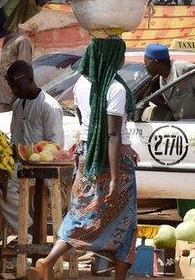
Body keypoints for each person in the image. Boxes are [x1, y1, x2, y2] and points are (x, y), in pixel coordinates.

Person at [32, 37, 138, 280]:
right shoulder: (116, 88)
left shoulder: (81, 83)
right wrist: (113, 177)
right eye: (121, 55)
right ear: (111, 58)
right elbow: (112, 134)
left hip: (88, 154)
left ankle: (47, 261)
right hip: (114, 161)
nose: (123, 60)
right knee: (126, 224)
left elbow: (87, 124)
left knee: (82, 214)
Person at [0, 60, 63, 246]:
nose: (13, 90)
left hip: (40, 170)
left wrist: (33, 155)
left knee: (1, 183)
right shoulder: (18, 104)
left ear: (29, 79)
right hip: (16, 165)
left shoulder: (49, 107)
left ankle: (25, 231)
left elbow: (55, 146)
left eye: (16, 85)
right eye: (11, 85)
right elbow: (15, 139)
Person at [0, 30, 33, 113]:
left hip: (13, 96)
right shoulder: (8, 40)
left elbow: (23, 70)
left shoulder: (22, 41)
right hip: (3, 94)